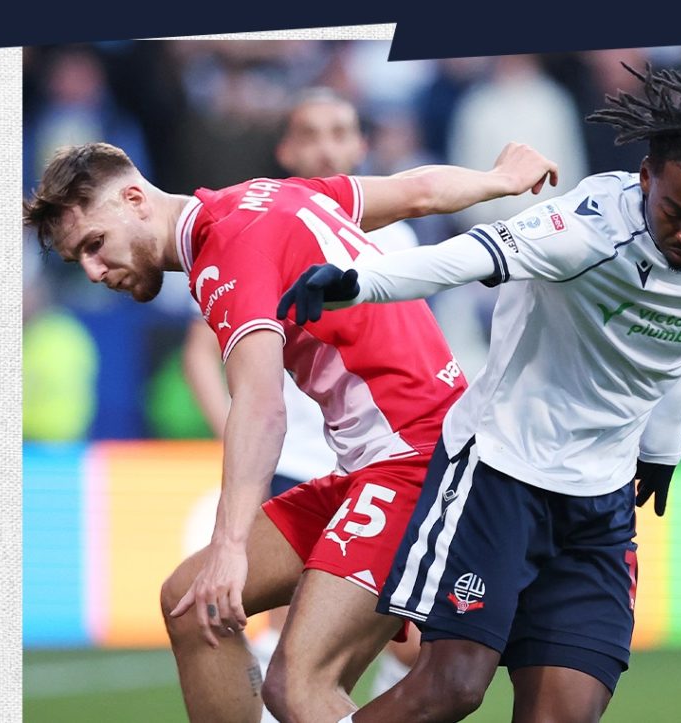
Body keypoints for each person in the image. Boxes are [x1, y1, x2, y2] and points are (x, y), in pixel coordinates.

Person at [278, 49, 681, 722]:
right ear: (646, 176)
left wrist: (663, 446)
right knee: (451, 688)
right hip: (500, 474)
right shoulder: (585, 227)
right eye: (676, 210)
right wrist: (358, 280)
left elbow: (678, 339)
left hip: (599, 503)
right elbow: (467, 257)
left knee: (563, 713)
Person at [23, 140, 557, 722]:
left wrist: (229, 548)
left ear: (134, 199)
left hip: (418, 461)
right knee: (189, 604)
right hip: (377, 466)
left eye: (96, 245)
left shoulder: (225, 249)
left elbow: (261, 404)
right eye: (81, 261)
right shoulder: (266, 197)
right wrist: (498, 177)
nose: (96, 271)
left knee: (299, 690)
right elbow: (416, 192)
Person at [180, 88, 423, 709]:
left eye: (341, 132)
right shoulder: (262, 231)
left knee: (403, 648)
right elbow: (200, 352)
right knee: (296, 653)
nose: (327, 147)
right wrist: (237, 442)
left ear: (361, 145)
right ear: (287, 149)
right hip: (294, 462)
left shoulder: (403, 245)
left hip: (381, 461)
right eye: (311, 134)